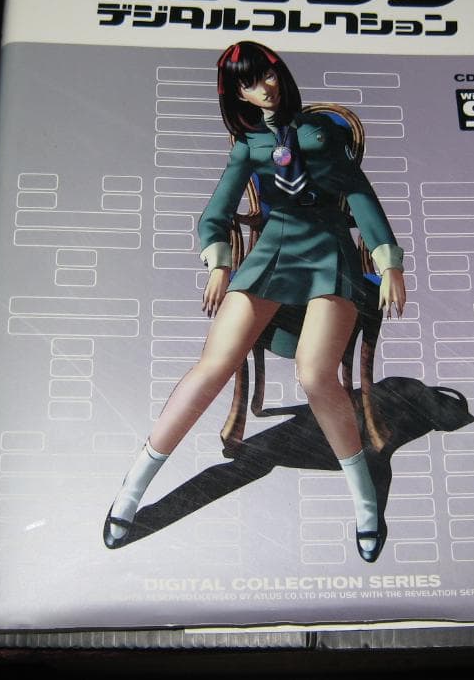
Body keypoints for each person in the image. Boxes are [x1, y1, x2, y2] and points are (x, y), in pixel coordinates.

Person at [104, 41, 406, 561]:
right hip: (271, 254)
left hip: (327, 251)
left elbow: (359, 195)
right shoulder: (248, 145)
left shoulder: (322, 132)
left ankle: (364, 501)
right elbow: (217, 211)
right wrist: (219, 263)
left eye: (266, 75)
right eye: (248, 83)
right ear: (237, 95)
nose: (263, 88)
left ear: (279, 73)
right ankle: (131, 491)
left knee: (316, 375)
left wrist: (388, 262)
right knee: (211, 367)